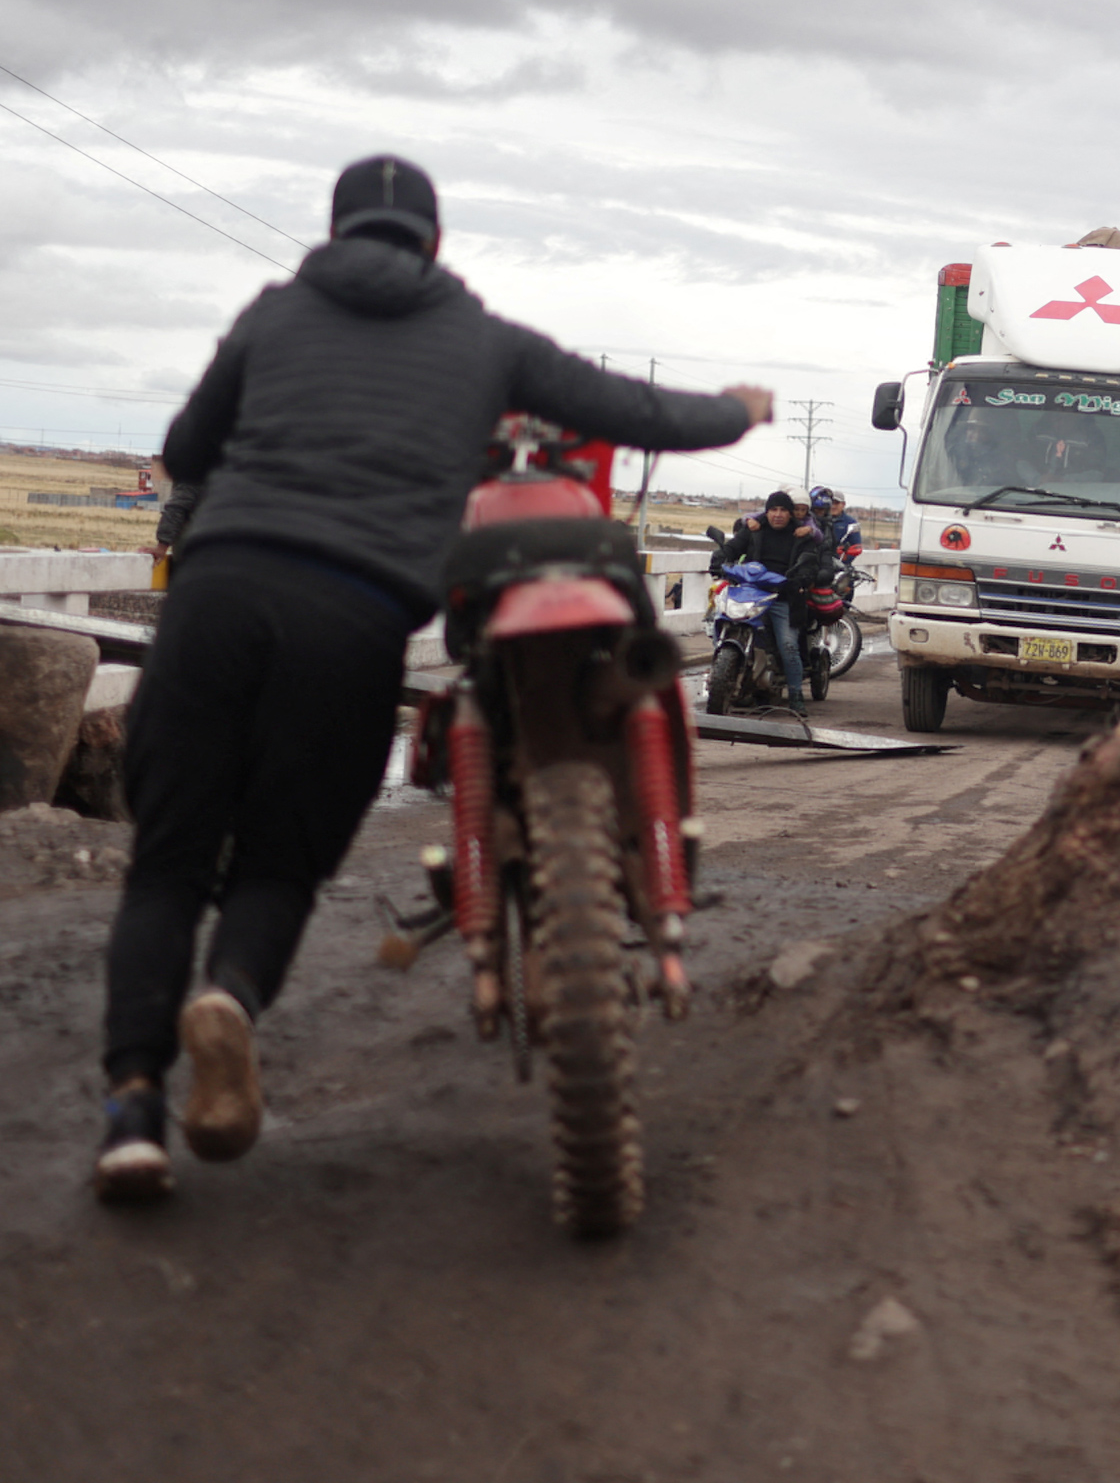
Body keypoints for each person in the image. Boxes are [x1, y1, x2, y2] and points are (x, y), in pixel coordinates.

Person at [93, 154, 773, 1206]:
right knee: (280, 862)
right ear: (436, 245)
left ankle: (132, 1113)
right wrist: (734, 410)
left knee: (169, 862)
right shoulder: (484, 340)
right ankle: (227, 997)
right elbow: (628, 407)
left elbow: (187, 445)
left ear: (334, 232)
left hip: (220, 592)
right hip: (352, 614)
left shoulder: (273, 315)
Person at [717, 490, 828, 715]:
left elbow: (810, 564)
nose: (777, 515)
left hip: (782, 597)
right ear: (766, 512)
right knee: (721, 622)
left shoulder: (801, 536)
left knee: (788, 645)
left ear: (790, 513)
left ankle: (796, 695)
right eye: (773, 510)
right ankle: (724, 678)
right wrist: (718, 561)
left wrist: (799, 579)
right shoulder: (754, 531)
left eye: (783, 510)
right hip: (750, 593)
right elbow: (732, 548)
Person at [826, 490, 863, 559]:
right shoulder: (821, 520)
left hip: (840, 564)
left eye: (836, 503)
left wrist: (844, 559)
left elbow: (856, 546)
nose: (833, 506)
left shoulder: (851, 523)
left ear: (843, 504)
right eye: (831, 503)